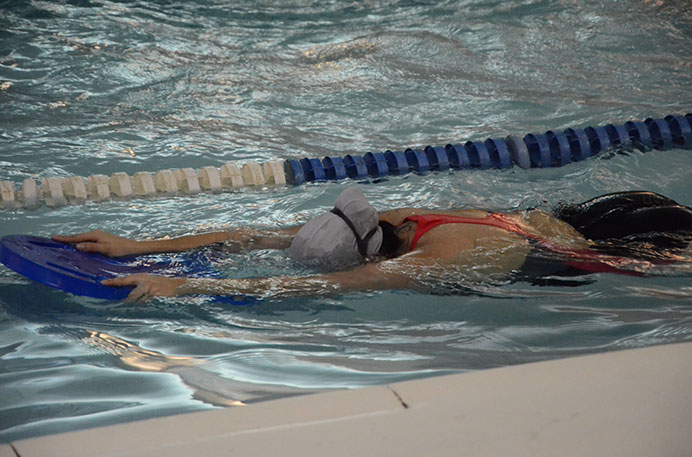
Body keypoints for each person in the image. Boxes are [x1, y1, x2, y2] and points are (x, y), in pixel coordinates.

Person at [52, 187, 692, 302]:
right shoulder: (400, 221)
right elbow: (255, 236)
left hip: (629, 247)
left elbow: (318, 286)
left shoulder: (439, 259)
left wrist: (188, 284)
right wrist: (136, 243)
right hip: (593, 212)